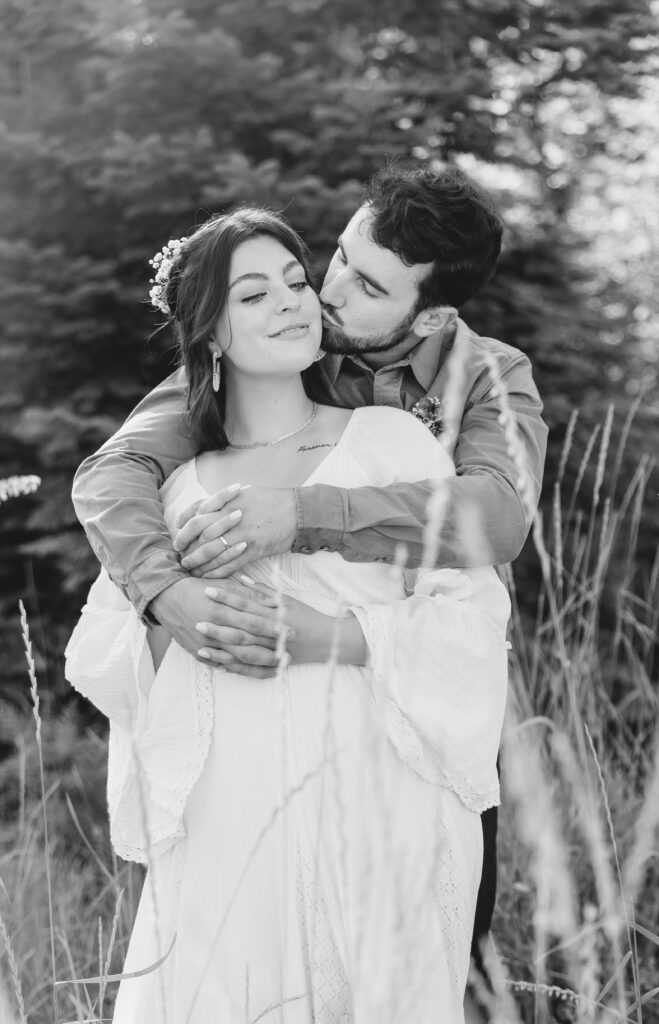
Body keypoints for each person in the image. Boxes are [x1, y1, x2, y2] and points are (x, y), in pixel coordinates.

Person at [71, 163, 548, 978]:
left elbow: (496, 518)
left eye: (368, 286)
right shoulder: (275, 340)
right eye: (339, 257)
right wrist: (166, 594)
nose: (328, 292)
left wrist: (303, 513)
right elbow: (111, 476)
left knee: (435, 959)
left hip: (414, 701)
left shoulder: (488, 374)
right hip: (263, 733)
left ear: (430, 311)